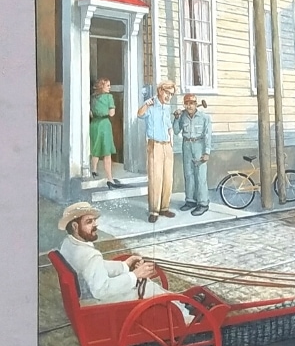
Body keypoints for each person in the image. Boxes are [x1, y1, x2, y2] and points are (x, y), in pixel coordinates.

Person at [57, 202, 192, 323]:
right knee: (148, 287)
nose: (95, 225)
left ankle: (180, 305)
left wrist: (125, 265)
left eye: (94, 221)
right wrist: (135, 275)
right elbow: (102, 291)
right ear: (75, 226)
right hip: (97, 303)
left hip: (85, 298)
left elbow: (97, 268)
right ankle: (185, 317)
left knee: (143, 283)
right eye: (89, 222)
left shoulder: (69, 244)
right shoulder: (89, 255)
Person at [138, 81, 177, 223]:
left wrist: (171, 141)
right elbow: (140, 115)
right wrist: (147, 104)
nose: (169, 96)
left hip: (167, 145)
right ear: (160, 90)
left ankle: (164, 208)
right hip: (155, 145)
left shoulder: (167, 108)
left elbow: (168, 126)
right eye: (167, 92)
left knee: (168, 178)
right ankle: (154, 210)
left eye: (171, 94)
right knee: (156, 178)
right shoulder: (151, 105)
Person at [173, 93, 212, 216]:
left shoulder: (204, 117)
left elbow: (208, 136)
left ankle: (203, 203)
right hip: (186, 146)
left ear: (196, 104)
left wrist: (207, 152)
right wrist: (176, 118)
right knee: (188, 175)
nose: (189, 106)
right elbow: (175, 131)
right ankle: (190, 201)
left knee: (200, 176)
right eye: (187, 103)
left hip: (199, 146)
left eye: (192, 103)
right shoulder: (182, 116)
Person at [88, 78, 121, 189]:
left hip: (94, 124)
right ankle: (110, 179)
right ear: (102, 86)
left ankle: (94, 170)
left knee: (95, 148)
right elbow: (112, 113)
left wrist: (97, 112)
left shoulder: (93, 98)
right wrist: (105, 111)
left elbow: (91, 114)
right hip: (104, 124)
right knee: (107, 152)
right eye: (108, 85)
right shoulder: (109, 97)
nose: (109, 87)